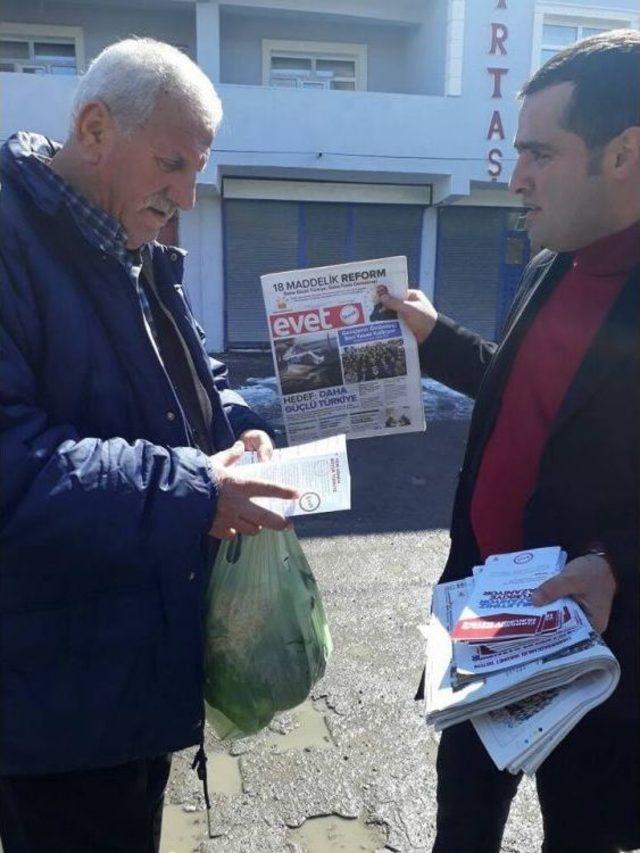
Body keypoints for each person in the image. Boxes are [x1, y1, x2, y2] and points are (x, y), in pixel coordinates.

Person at [0, 38, 298, 852]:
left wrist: (239, 426)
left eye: (197, 169)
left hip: (130, 675)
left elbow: (193, 373)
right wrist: (197, 489)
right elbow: (11, 462)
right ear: (94, 128)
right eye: (173, 164)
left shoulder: (129, 246)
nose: (188, 196)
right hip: (55, 698)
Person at [381, 30, 640, 853]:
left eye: (539, 152)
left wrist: (616, 564)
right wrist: (437, 336)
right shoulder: (550, 264)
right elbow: (529, 395)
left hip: (598, 656)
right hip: (484, 625)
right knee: (460, 833)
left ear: (624, 153)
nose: (513, 176)